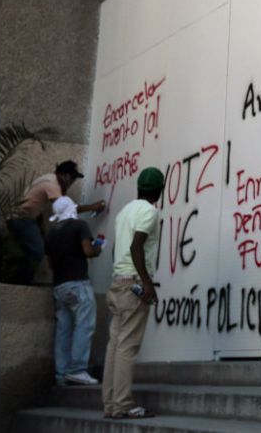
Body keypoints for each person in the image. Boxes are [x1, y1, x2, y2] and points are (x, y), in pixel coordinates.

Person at [102, 167, 164, 419]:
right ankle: (123, 404)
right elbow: (136, 246)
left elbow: (118, 248)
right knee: (127, 347)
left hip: (118, 283)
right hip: (134, 285)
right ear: (159, 190)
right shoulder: (150, 211)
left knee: (114, 346)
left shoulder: (124, 212)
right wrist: (147, 284)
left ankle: (111, 404)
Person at [7, 160, 106, 284]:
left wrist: (40, 226)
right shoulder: (53, 184)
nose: (71, 183)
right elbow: (65, 207)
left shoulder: (47, 179)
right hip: (22, 219)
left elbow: (34, 202)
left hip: (20, 218)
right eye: (72, 179)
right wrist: (93, 206)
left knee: (28, 252)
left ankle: (19, 280)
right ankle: (21, 283)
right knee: (37, 251)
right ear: (64, 175)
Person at [45, 196, 103, 386]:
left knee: (64, 330)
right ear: (72, 208)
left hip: (59, 286)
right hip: (78, 283)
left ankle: (61, 374)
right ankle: (77, 369)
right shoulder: (80, 225)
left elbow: (50, 264)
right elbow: (87, 251)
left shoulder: (51, 233)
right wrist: (97, 249)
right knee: (84, 325)